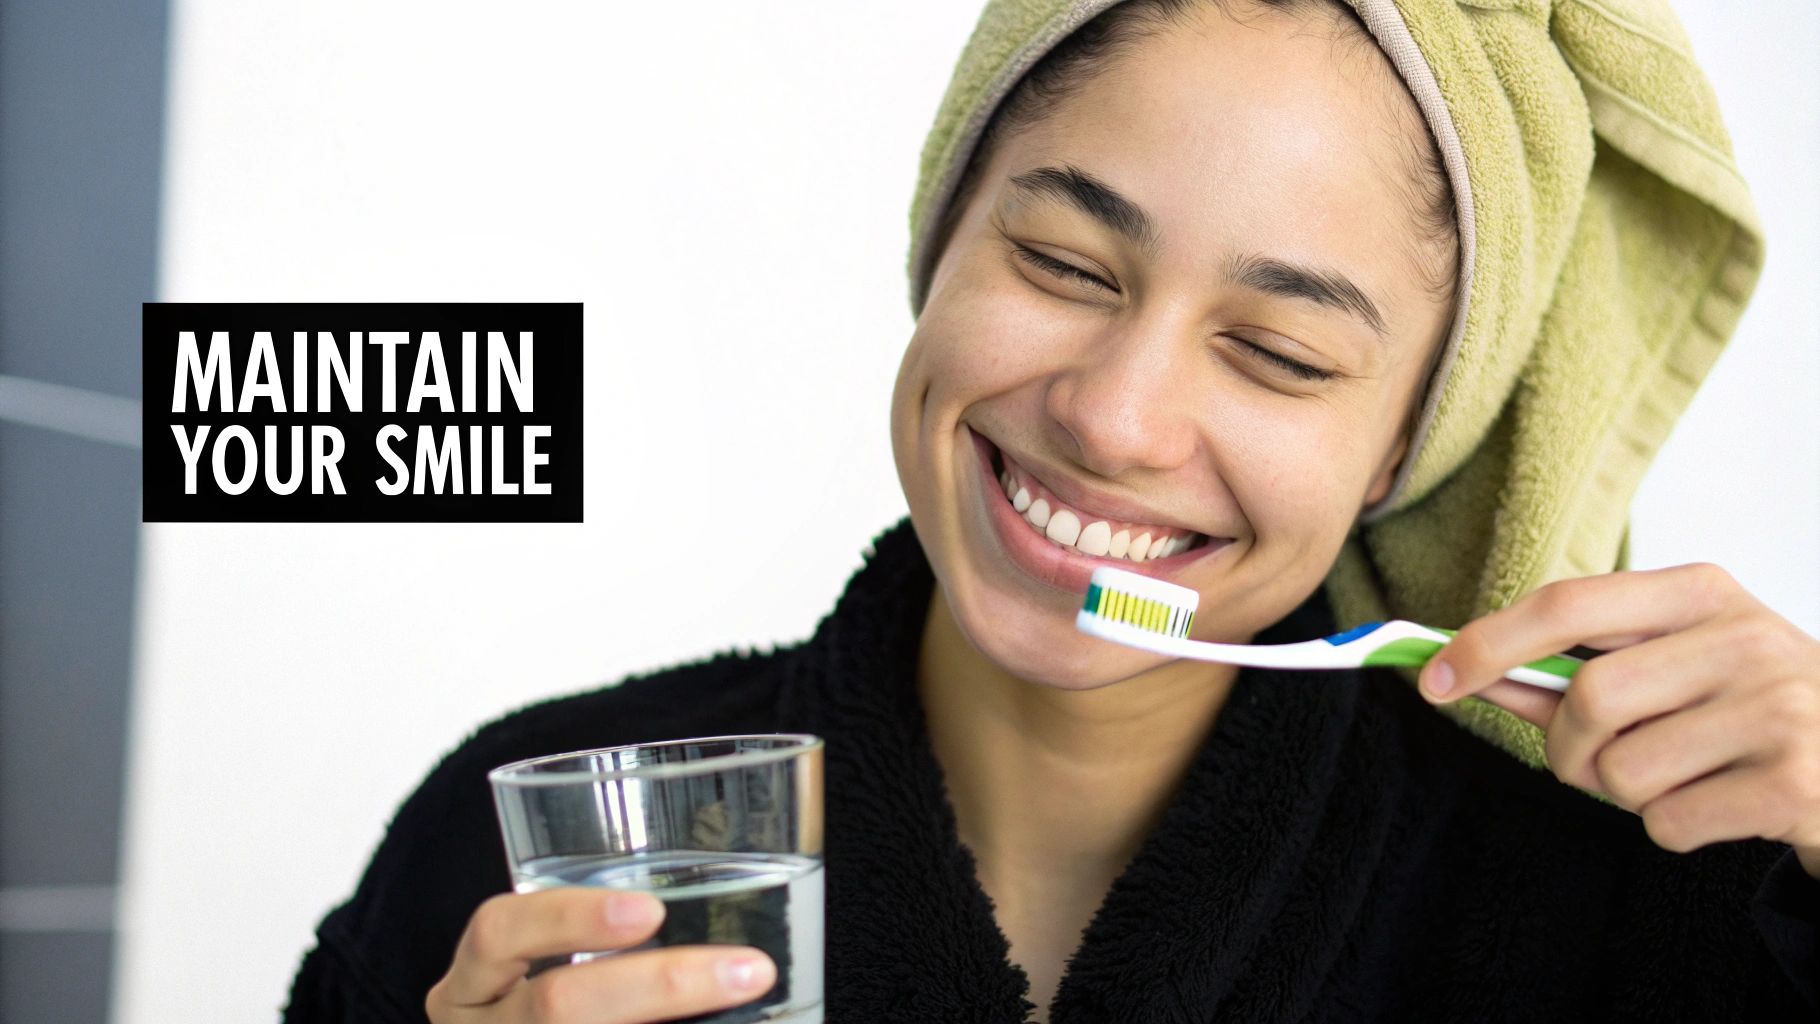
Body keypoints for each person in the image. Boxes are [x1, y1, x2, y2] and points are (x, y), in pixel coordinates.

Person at [283, 1, 1820, 1021]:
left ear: (1405, 443)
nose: (1114, 416)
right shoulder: (532, 848)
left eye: (1279, 355)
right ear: (939, 245)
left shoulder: (1643, 920)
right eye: (1066, 267)